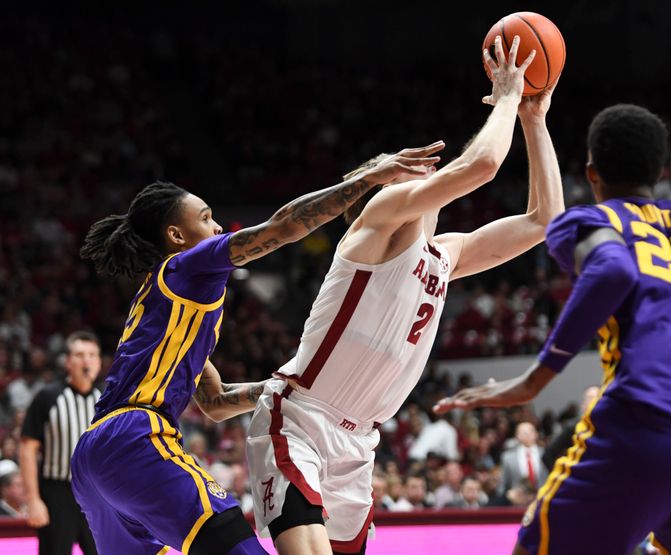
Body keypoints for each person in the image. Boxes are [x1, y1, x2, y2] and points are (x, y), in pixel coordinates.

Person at [246, 35, 564, 555]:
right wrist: (507, 93)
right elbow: (480, 166)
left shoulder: (446, 254)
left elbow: (546, 220)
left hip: (360, 442)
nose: (424, 163)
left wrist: (533, 117)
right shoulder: (378, 222)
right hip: (301, 419)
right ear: (382, 186)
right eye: (405, 163)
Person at [434, 103, 671, 554]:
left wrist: (535, 380)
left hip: (642, 433)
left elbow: (612, 273)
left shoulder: (590, 221)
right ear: (661, 170)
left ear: (592, 174)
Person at [70, 146, 440, 555]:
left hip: (92, 459)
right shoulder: (188, 266)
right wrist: (369, 180)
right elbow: (283, 227)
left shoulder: (165, 309)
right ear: (176, 236)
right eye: (206, 218)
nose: (216, 228)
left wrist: (289, 389)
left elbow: (215, 401)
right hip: (134, 438)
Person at [19, 331, 101, 555]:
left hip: (96, 495)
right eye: (80, 355)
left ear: (99, 361)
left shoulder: (106, 400)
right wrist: (33, 499)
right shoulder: (48, 397)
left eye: (92, 355)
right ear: (67, 362)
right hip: (57, 492)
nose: (86, 361)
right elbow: (27, 449)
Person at [498, 422, 547, 497]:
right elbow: (504, 482)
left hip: (543, 497)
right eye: (523, 432)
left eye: (530, 431)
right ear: (517, 435)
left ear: (536, 434)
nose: (527, 435)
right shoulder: (508, 457)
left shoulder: (545, 453)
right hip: (518, 501)